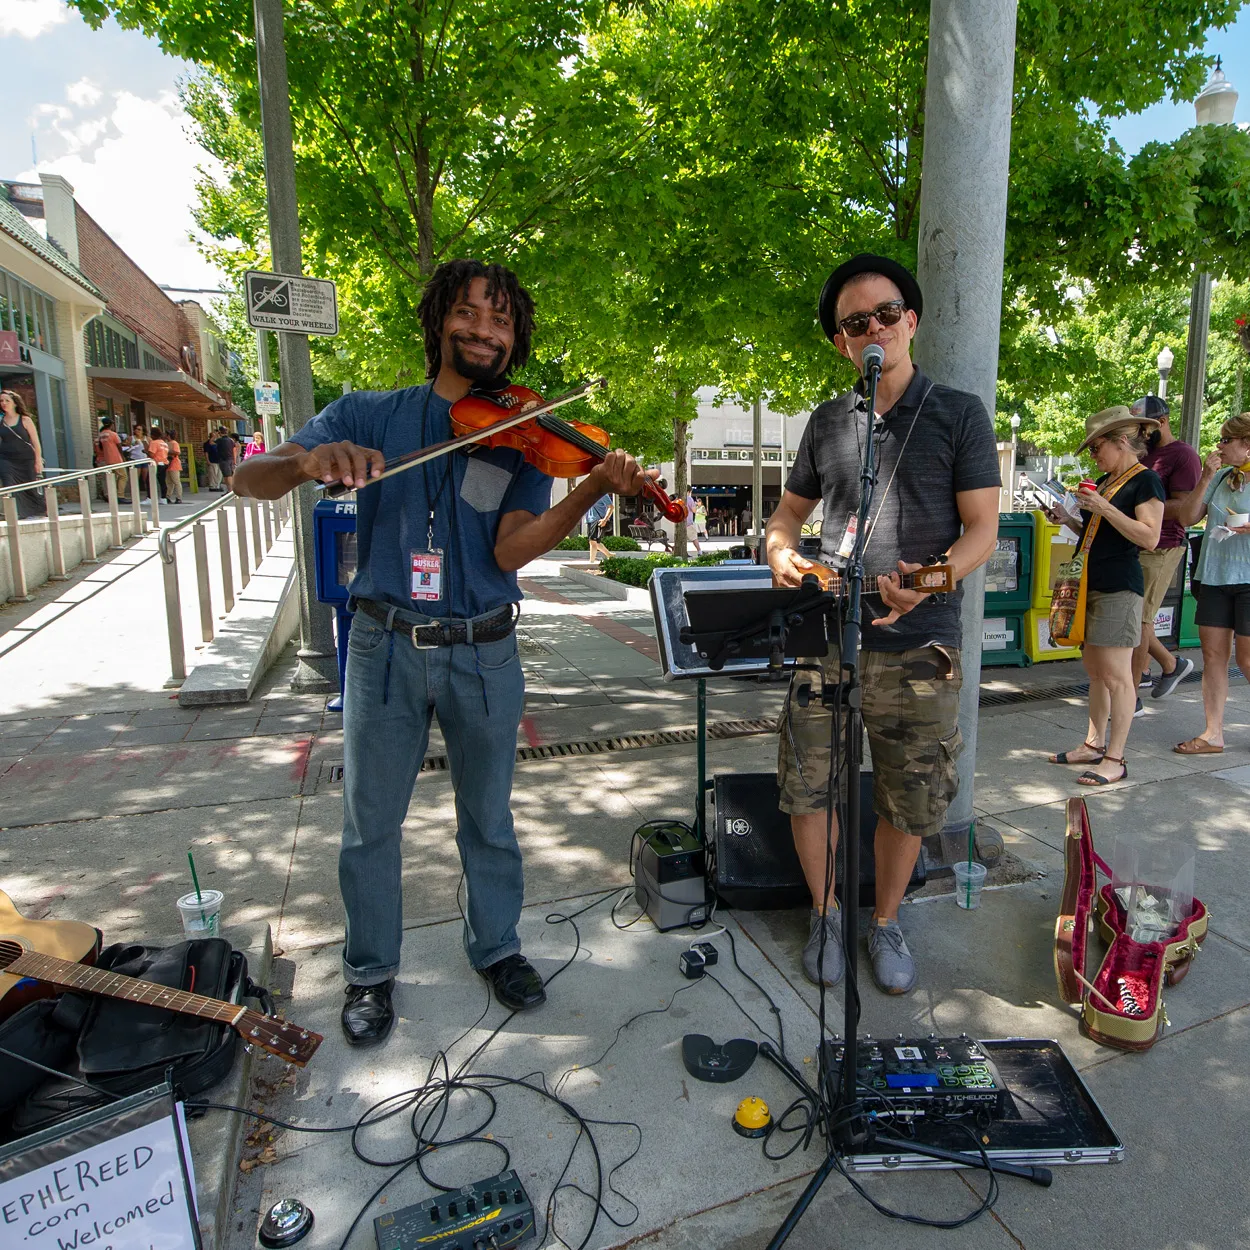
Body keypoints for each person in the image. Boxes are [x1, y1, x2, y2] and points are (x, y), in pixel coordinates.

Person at [232, 259, 653, 1046]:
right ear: (439, 322)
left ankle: (496, 948)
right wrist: (305, 460)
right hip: (383, 646)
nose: (484, 331)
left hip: (485, 651)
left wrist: (591, 489)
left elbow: (511, 551)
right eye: (468, 313)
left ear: (515, 337)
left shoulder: (523, 439)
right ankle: (368, 972)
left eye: (500, 321)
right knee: (370, 824)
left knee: (489, 819)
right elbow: (247, 477)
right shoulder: (368, 413)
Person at [766, 253, 1000, 996]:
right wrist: (781, 553)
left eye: (888, 314)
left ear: (913, 321)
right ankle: (827, 913)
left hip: (919, 645)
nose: (875, 329)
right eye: (856, 322)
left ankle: (886, 918)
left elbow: (982, 531)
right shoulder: (828, 422)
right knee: (810, 786)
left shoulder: (960, 412)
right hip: (827, 638)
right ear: (842, 341)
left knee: (910, 796)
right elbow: (786, 517)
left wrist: (922, 586)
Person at [1046, 408, 1164, 784]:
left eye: (1097, 447)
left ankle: (1116, 758)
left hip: (1118, 585)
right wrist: (1067, 518)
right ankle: (1093, 745)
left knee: (1117, 676)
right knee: (1096, 671)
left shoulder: (1146, 482)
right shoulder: (1107, 480)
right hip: (1090, 584)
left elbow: (1149, 536)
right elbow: (1099, 531)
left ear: (1122, 441)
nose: (1093, 455)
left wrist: (1104, 507)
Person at [1169, 413, 1250, 755]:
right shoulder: (1221, 478)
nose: (1219, 446)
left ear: (1247, 445)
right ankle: (1213, 733)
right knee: (1213, 655)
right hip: (1215, 576)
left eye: (1226, 440)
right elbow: (1187, 517)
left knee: (1247, 660)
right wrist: (1206, 476)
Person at [1131, 395, 1200, 700]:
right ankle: (1171, 665)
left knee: (1140, 619)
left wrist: (1137, 508)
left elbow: (1185, 507)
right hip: (1134, 541)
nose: (1139, 433)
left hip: (1163, 545)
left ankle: (1129, 696)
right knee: (1133, 616)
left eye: (1143, 427)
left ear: (1162, 422)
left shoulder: (1183, 455)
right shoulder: (1143, 452)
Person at [0, 390, 46, 518]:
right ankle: (14, 513)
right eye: (1, 401)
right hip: (6, 458)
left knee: (29, 486)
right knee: (8, 483)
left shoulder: (25, 420)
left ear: (15, 403)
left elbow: (36, 442)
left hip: (26, 459)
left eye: (7, 400)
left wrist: (38, 460)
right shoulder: (1, 421)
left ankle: (36, 510)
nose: (3, 403)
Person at [94, 417, 127, 501]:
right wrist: (123, 457)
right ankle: (120, 495)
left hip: (105, 460)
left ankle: (109, 495)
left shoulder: (100, 435)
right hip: (116, 458)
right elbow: (119, 446)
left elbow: (97, 449)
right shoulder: (113, 434)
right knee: (123, 476)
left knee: (108, 478)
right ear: (111, 425)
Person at [585, 492, 614, 563]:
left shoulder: (602, 494)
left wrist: (605, 519)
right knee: (594, 542)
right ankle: (609, 555)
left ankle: (591, 562)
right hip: (589, 520)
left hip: (598, 520)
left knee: (593, 541)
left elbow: (611, 507)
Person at [126, 423, 150, 497]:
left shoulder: (147, 438)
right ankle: (135, 493)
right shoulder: (131, 438)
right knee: (135, 477)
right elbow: (126, 448)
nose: (137, 431)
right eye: (136, 429)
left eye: (139, 429)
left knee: (146, 477)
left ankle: (149, 493)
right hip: (135, 459)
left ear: (143, 431)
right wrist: (133, 445)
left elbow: (150, 449)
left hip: (144, 459)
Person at [148, 427, 170, 502]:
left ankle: (150, 498)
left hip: (156, 464)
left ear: (153, 435)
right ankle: (163, 498)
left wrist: (145, 451)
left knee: (149, 480)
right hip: (164, 463)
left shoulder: (154, 443)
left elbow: (151, 454)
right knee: (162, 481)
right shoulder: (164, 443)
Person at [215, 427, 238, 492]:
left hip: (223, 460)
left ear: (220, 432)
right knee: (230, 475)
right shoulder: (231, 440)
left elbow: (211, 442)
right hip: (230, 459)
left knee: (227, 476)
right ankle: (230, 491)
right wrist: (234, 460)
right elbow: (234, 450)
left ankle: (230, 491)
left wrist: (216, 435)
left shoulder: (219, 440)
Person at [166, 430, 183, 503]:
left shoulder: (174, 443)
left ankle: (178, 497)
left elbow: (177, 452)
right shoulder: (166, 443)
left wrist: (168, 452)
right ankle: (168, 496)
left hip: (174, 463)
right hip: (168, 463)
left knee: (176, 481)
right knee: (169, 481)